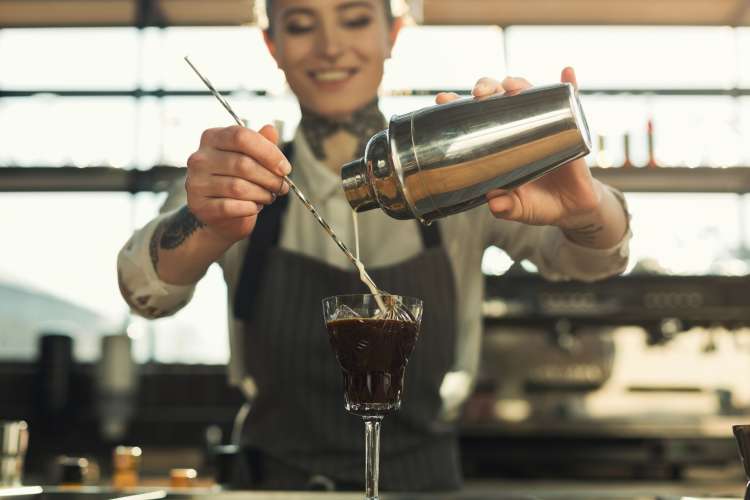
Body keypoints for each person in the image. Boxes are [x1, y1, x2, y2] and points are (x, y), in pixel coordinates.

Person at [118, 0, 631, 492]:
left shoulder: (457, 168)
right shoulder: (239, 173)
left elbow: (593, 262)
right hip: (275, 485)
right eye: (301, 25)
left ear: (393, 34)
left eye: (355, 19)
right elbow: (145, 292)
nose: (331, 47)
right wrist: (204, 222)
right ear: (272, 44)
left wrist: (587, 209)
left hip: (424, 485)